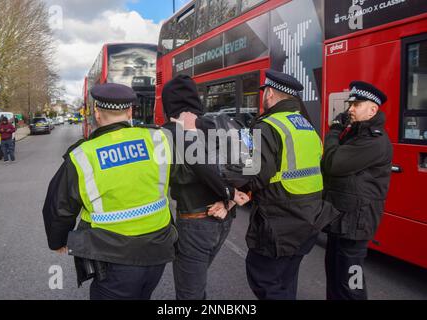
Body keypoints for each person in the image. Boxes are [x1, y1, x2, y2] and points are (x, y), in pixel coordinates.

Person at [42, 83, 177, 300]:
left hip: (113, 256)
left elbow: (59, 205)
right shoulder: (158, 139)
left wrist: (58, 241)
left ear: (96, 112)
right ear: (130, 111)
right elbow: (182, 174)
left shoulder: (83, 154)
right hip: (158, 249)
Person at [241, 70, 339, 300]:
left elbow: (254, 175)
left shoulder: (266, 126)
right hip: (308, 220)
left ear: (271, 93)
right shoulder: (307, 127)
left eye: (264, 92)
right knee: (285, 280)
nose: (263, 96)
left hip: (278, 223)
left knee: (263, 278)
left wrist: (233, 179)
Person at [161, 75, 250, 300]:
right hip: (224, 218)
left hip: (194, 223)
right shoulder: (219, 124)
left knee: (189, 294)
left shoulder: (167, 134)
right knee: (196, 287)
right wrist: (229, 201)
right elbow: (251, 168)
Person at [322, 81, 393, 300]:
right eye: (350, 103)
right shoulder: (357, 133)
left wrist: (334, 131)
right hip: (343, 218)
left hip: (356, 224)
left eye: (357, 104)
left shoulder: (374, 140)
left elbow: (333, 164)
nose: (350, 108)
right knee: (334, 275)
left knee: (351, 283)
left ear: (373, 109)